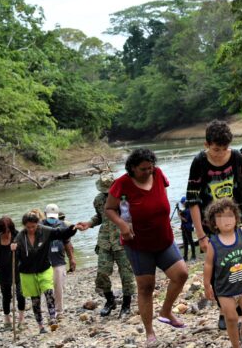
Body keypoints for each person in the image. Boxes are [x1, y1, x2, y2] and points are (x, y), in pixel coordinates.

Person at [105, 148, 188, 346]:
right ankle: (150, 333)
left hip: (164, 239)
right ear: (132, 168)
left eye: (150, 167)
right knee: (146, 287)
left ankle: (166, 310)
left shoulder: (158, 174)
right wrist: (123, 225)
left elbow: (161, 201)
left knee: (181, 274)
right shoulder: (122, 184)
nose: (148, 172)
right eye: (143, 169)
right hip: (138, 245)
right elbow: (109, 209)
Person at [186, 119, 242, 330]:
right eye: (215, 149)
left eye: (224, 149)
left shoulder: (237, 158)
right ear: (206, 145)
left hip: (236, 220)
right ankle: (224, 310)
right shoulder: (199, 162)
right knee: (219, 267)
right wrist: (201, 235)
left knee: (241, 261)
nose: (220, 153)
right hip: (210, 224)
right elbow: (192, 201)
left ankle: (239, 303)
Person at [76, 173, 136, 318]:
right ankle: (110, 300)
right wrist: (89, 223)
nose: (106, 193)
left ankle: (126, 304)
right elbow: (100, 217)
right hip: (104, 241)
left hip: (123, 240)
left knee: (126, 274)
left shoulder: (125, 198)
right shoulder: (99, 200)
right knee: (102, 273)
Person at [11, 212, 78, 334]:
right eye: (28, 227)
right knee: (35, 299)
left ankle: (52, 318)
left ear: (37, 224)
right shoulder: (20, 237)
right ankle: (41, 326)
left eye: (33, 226)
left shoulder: (45, 231)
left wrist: (73, 228)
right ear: (24, 226)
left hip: (44, 268)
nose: (31, 229)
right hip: (27, 272)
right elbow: (15, 257)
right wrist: (13, 249)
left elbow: (60, 233)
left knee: (48, 291)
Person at [203, 198, 242, 348]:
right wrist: (207, 285)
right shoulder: (214, 243)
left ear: (236, 217)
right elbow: (208, 265)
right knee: (231, 318)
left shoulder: (241, 233)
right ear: (214, 223)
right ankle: (235, 345)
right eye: (220, 217)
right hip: (224, 291)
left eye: (230, 215)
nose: (226, 220)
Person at [41, 203, 76, 319]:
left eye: (53, 216)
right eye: (49, 216)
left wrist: (72, 258)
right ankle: (50, 310)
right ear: (45, 214)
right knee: (47, 287)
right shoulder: (40, 226)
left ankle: (59, 311)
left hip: (59, 261)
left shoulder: (62, 226)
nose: (51, 219)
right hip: (44, 262)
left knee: (58, 287)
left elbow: (67, 243)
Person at [178, 196, 197, 261]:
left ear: (185, 203)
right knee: (185, 242)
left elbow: (186, 220)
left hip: (188, 228)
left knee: (190, 241)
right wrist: (178, 210)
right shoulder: (186, 210)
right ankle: (185, 256)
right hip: (184, 228)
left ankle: (193, 255)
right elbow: (182, 215)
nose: (182, 204)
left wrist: (180, 216)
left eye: (183, 203)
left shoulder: (189, 210)